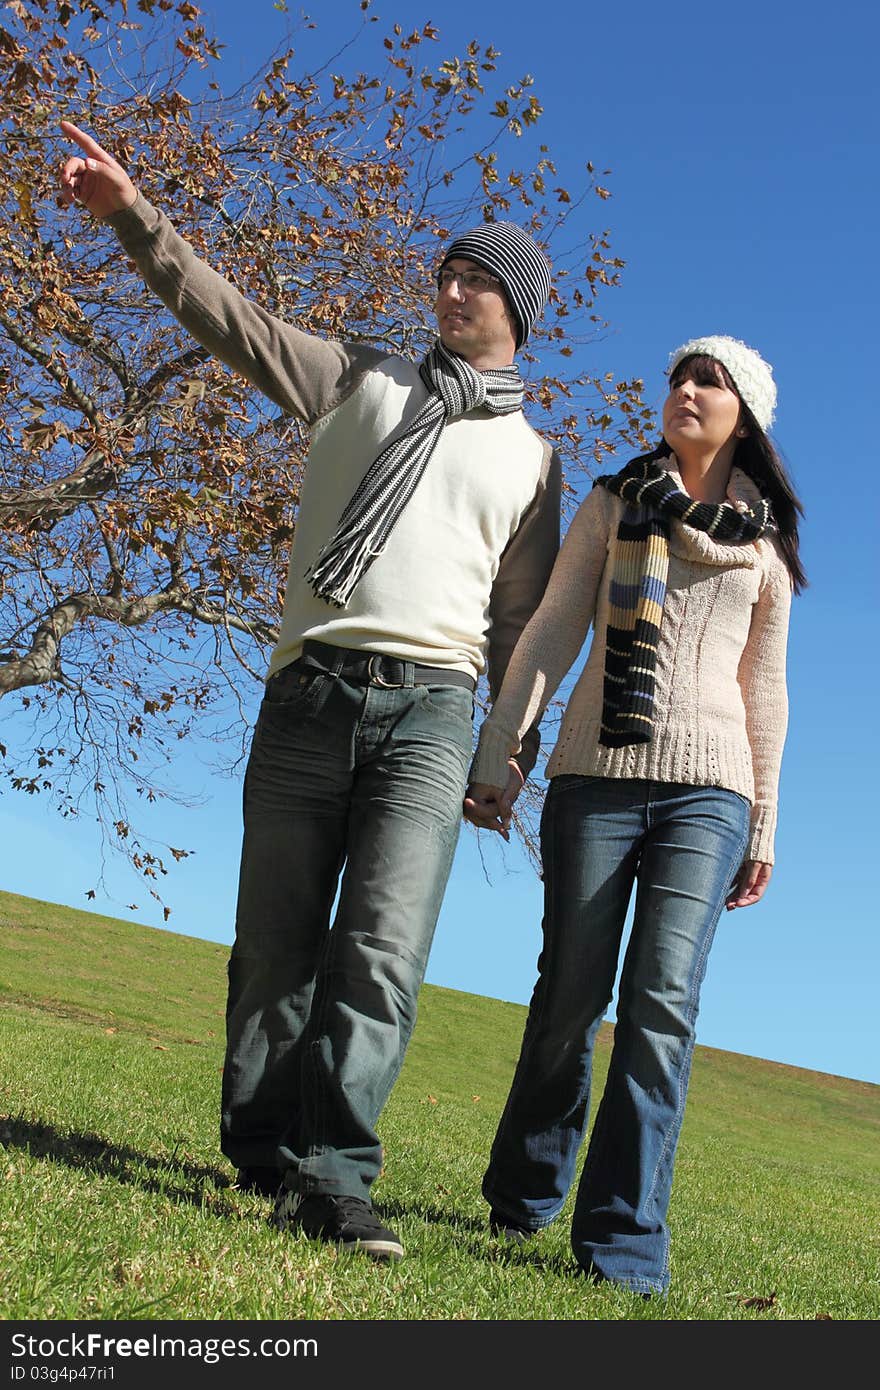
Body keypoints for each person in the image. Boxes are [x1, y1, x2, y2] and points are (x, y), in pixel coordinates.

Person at [59, 120, 561, 1262]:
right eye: (445, 268)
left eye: (474, 276)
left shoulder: (533, 460)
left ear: (517, 308)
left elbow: (522, 624)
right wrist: (136, 214)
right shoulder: (355, 375)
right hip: (309, 691)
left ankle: (336, 1175)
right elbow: (223, 315)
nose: (447, 285)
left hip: (431, 712)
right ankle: (260, 1148)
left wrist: (507, 750)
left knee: (380, 949)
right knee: (275, 941)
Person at [464, 334, 805, 1295]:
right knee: (571, 991)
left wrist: (766, 822)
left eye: (711, 382)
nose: (687, 391)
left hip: (713, 792)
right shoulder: (614, 504)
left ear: (747, 414)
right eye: (681, 378)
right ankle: (526, 1194)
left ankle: (621, 1242)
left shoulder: (767, 549)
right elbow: (552, 632)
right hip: (595, 778)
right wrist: (502, 754)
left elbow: (765, 691)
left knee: (660, 1006)